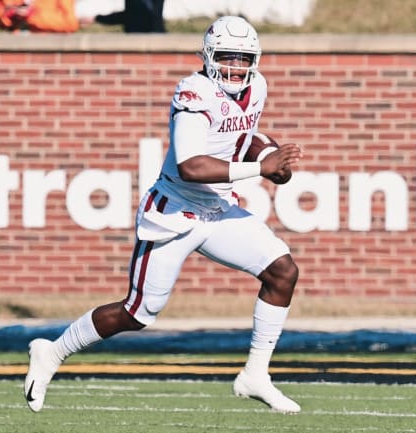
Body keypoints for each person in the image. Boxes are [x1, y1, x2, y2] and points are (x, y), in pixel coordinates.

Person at [23, 15, 303, 414]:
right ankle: (52, 352)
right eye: (227, 57)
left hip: (217, 209)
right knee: (138, 312)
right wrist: (262, 168)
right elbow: (192, 165)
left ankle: (255, 375)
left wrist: (270, 155)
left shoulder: (256, 87)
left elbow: (241, 138)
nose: (235, 68)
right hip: (174, 213)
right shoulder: (193, 92)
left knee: (282, 271)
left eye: (243, 59)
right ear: (208, 56)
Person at [0, 0, 79, 33]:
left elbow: (70, 23)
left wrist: (32, 16)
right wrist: (9, 16)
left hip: (45, 51)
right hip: (16, 50)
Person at [80, 0, 165, 33]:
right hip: (135, 42)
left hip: (150, 40)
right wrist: (96, 18)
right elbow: (129, 16)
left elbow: (138, 15)